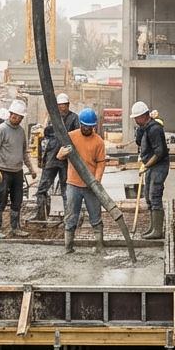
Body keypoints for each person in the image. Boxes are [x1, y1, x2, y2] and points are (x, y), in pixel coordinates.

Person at [0, 100, 38, 238]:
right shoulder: (1, 130)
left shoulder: (21, 132)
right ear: (10, 114)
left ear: (21, 118)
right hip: (3, 172)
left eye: (18, 117)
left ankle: (15, 227)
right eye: (14, 115)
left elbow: (24, 152)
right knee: (1, 199)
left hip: (17, 172)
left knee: (17, 200)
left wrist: (31, 168)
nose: (16, 118)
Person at [61, 108, 107, 254]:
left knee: (95, 216)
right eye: (85, 126)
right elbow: (59, 156)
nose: (87, 129)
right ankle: (68, 247)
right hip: (73, 183)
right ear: (80, 124)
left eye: (90, 126)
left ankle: (99, 246)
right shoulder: (71, 137)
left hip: (90, 185)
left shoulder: (98, 142)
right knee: (71, 216)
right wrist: (62, 153)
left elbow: (101, 162)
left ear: (94, 126)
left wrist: (97, 180)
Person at [130, 101, 168, 239]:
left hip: (158, 165)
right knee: (148, 196)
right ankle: (152, 227)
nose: (135, 120)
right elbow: (139, 143)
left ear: (143, 116)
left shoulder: (155, 129)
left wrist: (146, 165)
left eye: (136, 117)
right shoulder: (144, 128)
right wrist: (139, 131)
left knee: (155, 195)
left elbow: (159, 152)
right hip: (150, 165)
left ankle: (158, 231)